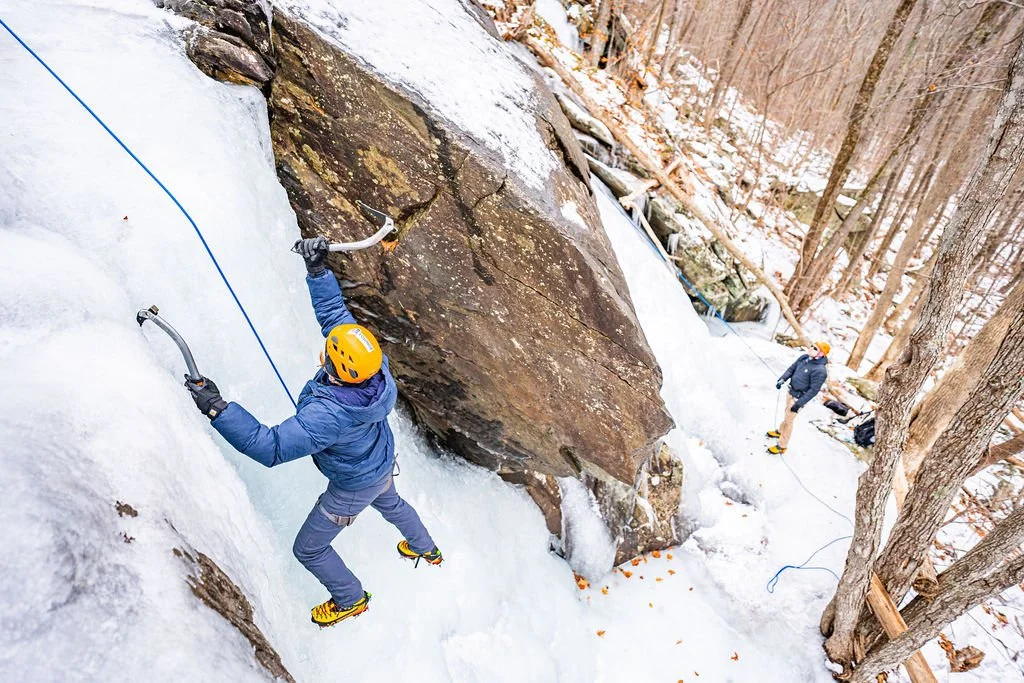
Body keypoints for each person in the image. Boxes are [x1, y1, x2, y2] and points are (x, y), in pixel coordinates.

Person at [184, 236, 442, 628]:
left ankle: (350, 598)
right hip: (379, 461)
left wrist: (218, 408)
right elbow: (336, 318)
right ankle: (425, 548)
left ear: (338, 369)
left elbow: (268, 447)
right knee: (391, 502)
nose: (323, 352)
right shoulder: (375, 368)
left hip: (352, 485)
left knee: (308, 548)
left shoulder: (329, 416)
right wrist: (318, 270)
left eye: (328, 355)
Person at [766, 341, 830, 454]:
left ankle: (782, 445)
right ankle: (780, 431)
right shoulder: (804, 358)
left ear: (821, 354)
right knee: (787, 415)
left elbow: (813, 391)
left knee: (789, 420)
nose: (811, 348)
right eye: (812, 346)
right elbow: (791, 369)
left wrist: (798, 404)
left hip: (798, 398)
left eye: (815, 348)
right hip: (791, 391)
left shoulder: (820, 370)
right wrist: (782, 379)